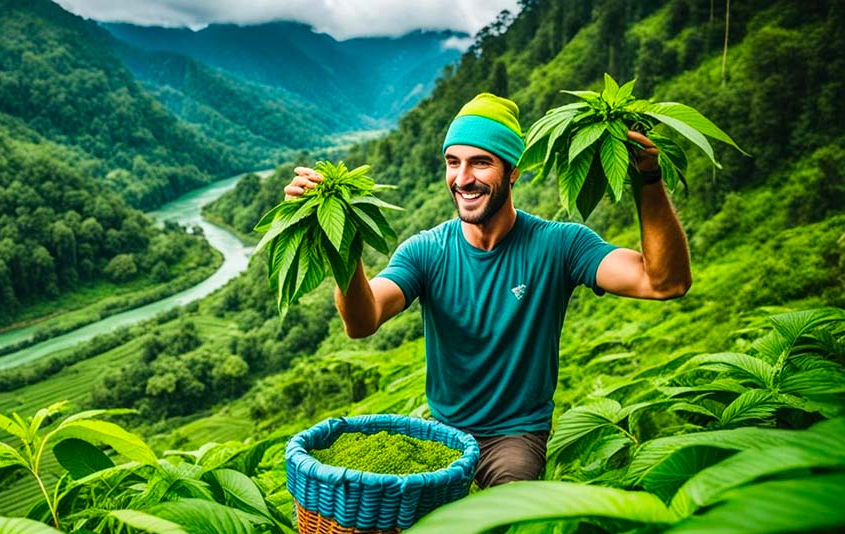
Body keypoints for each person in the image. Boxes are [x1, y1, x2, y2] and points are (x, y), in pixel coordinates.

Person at [284, 93, 692, 487]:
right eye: (453, 162)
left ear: (512, 170)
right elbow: (362, 320)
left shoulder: (560, 245)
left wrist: (648, 181)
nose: (463, 179)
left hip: (515, 436)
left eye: (481, 163)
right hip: (442, 433)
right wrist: (342, 243)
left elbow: (664, 282)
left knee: (506, 521)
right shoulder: (426, 251)